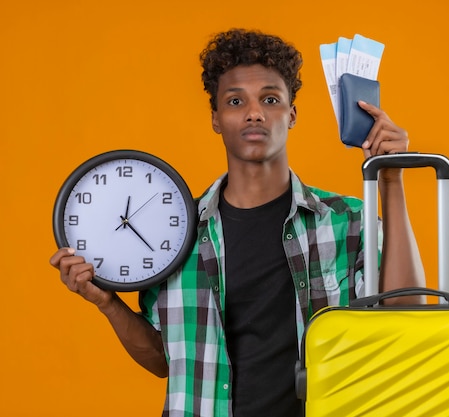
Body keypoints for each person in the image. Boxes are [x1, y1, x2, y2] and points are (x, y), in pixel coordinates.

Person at [49, 28, 426, 417]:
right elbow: (165, 362)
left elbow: (408, 313)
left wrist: (390, 178)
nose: (254, 112)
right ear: (216, 118)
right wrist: (108, 304)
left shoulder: (347, 221)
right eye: (235, 100)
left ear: (291, 115)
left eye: (270, 99)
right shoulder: (175, 233)